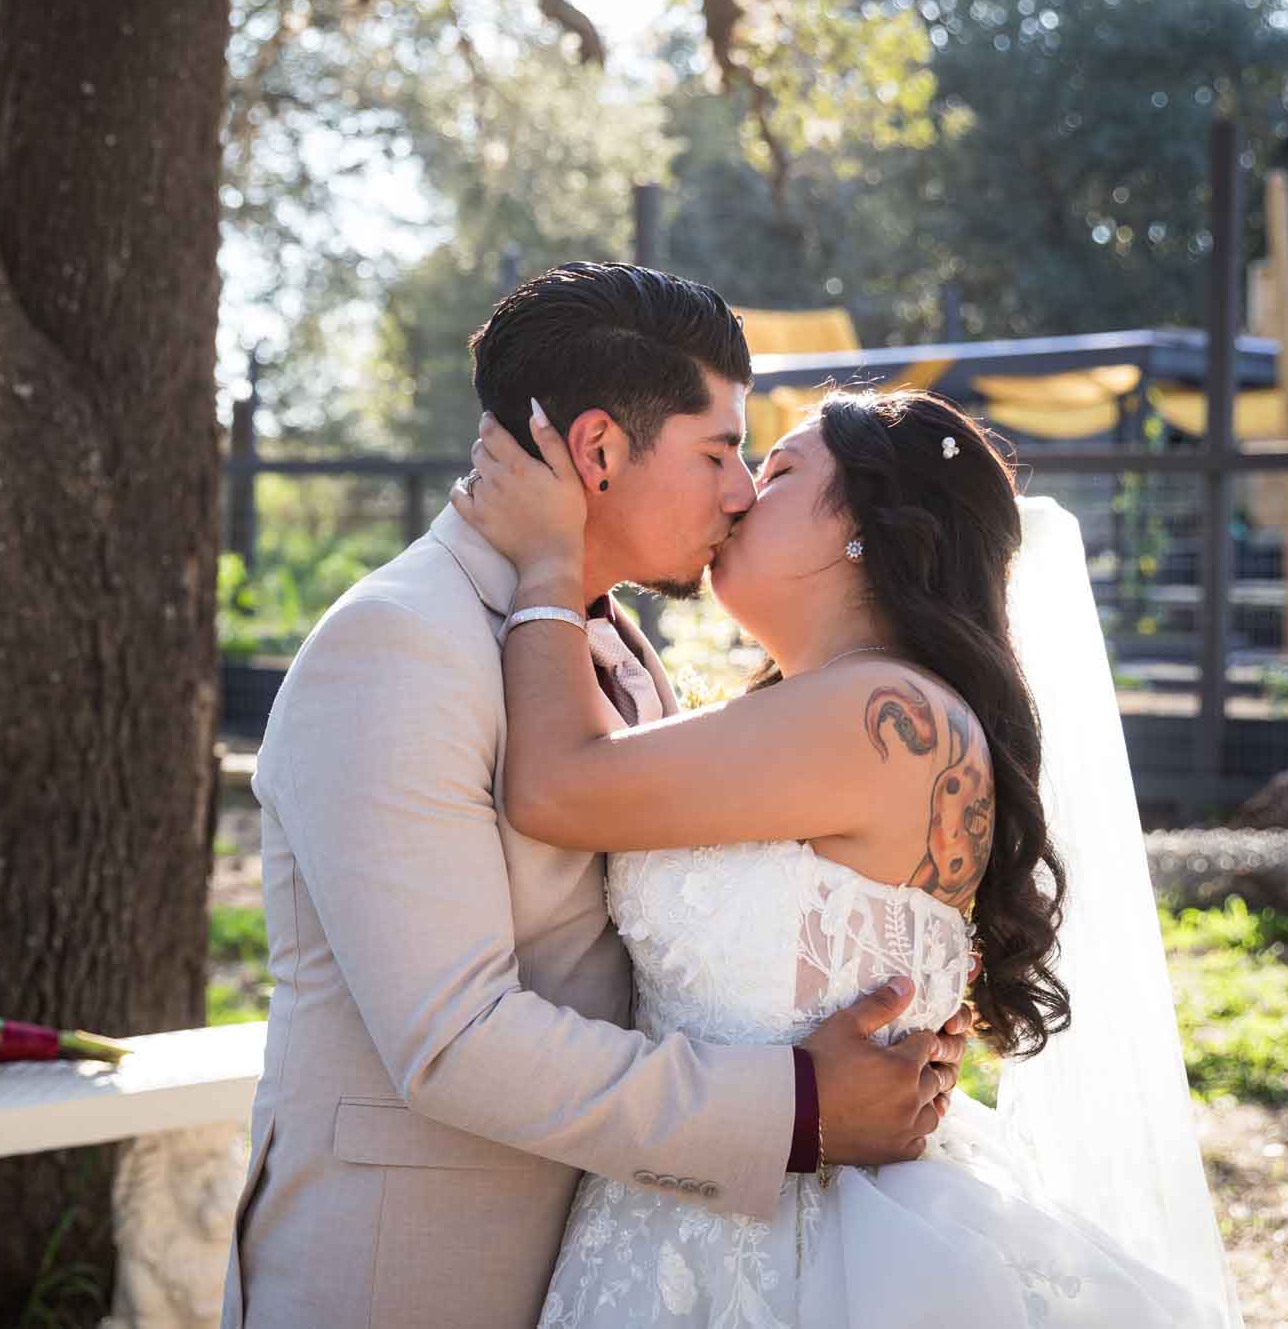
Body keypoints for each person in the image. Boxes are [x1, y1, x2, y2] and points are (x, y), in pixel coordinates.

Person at [220, 264, 973, 1328]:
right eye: (717, 449)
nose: (739, 491)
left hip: (618, 1257)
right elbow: (453, 1037)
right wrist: (802, 1107)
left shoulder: (605, 636)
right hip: (414, 1274)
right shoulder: (398, 643)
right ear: (598, 450)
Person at [450, 385, 1243, 1326]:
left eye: (777, 470)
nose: (739, 493)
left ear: (868, 530)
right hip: (696, 1199)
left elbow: (552, 790)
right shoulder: (828, 709)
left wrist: (550, 564)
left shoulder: (877, 719)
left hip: (795, 1246)